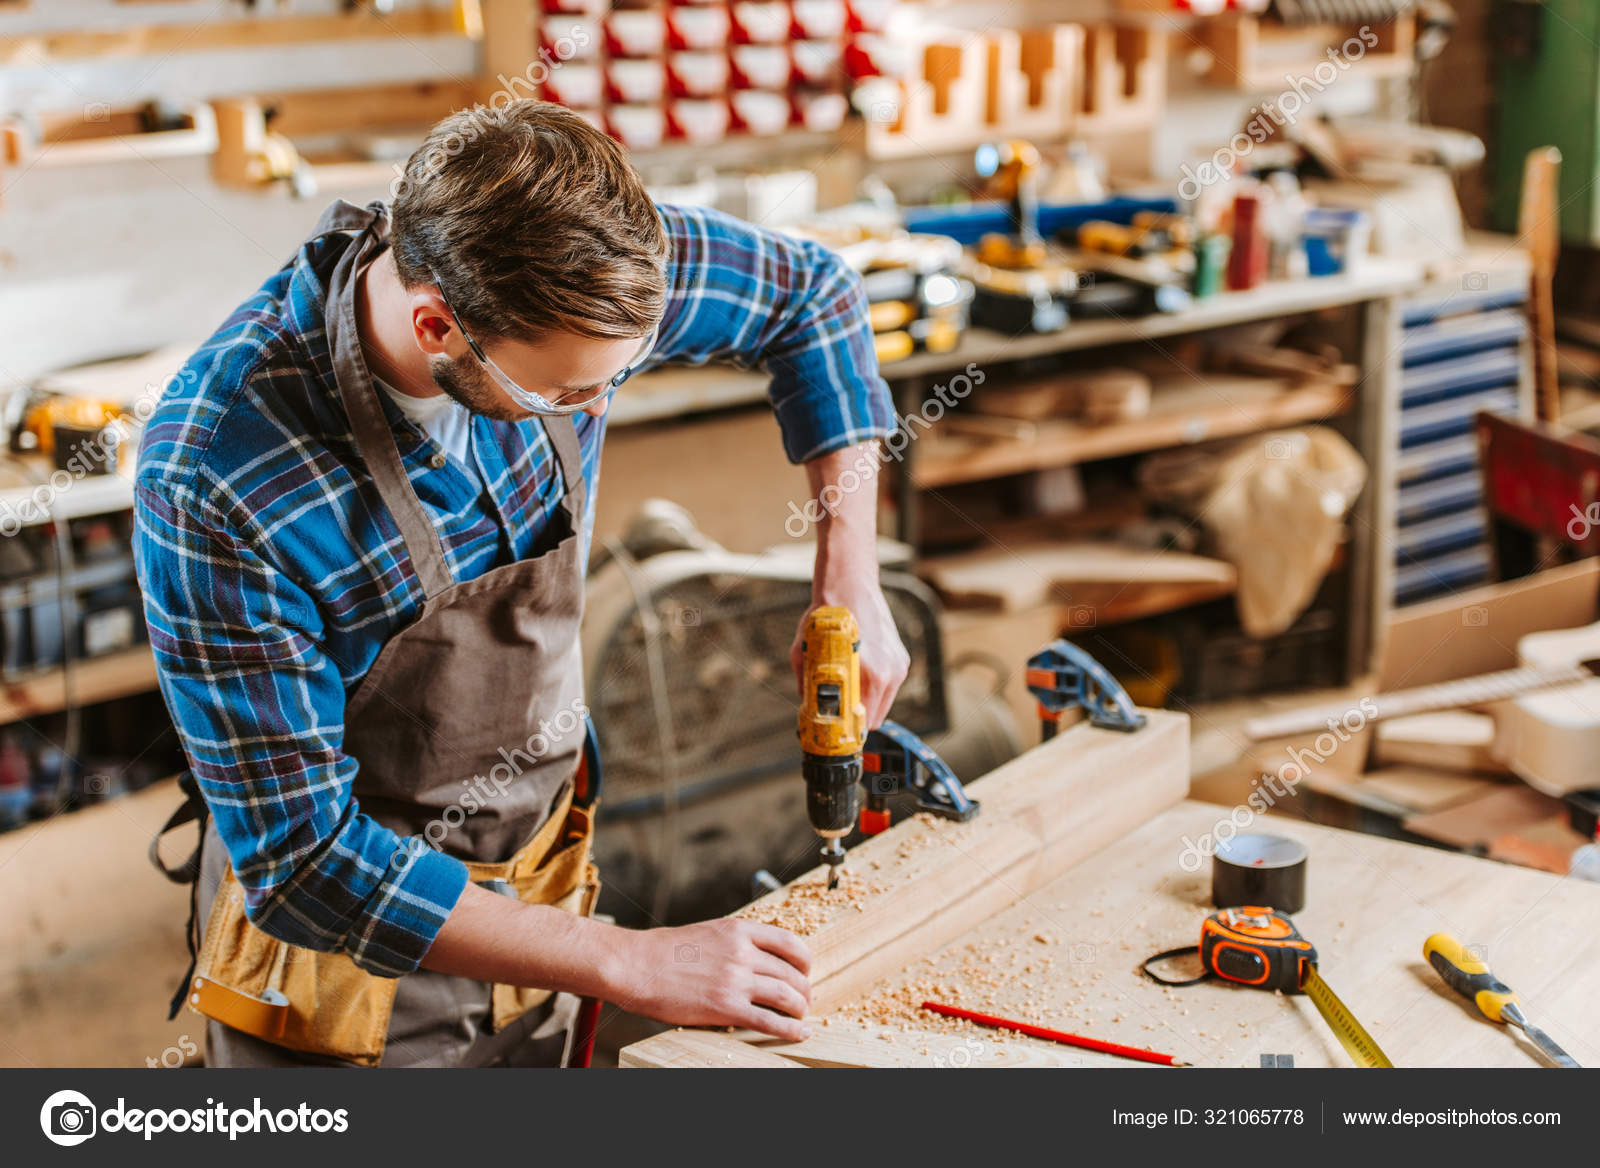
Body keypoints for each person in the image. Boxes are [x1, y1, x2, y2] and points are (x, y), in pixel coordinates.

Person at [134, 101, 908, 1067]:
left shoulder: (571, 271)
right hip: (345, 986)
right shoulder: (222, 473)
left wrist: (849, 579)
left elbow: (817, 298)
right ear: (437, 326)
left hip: (541, 901)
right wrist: (627, 960)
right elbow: (306, 864)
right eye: (570, 395)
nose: (595, 404)